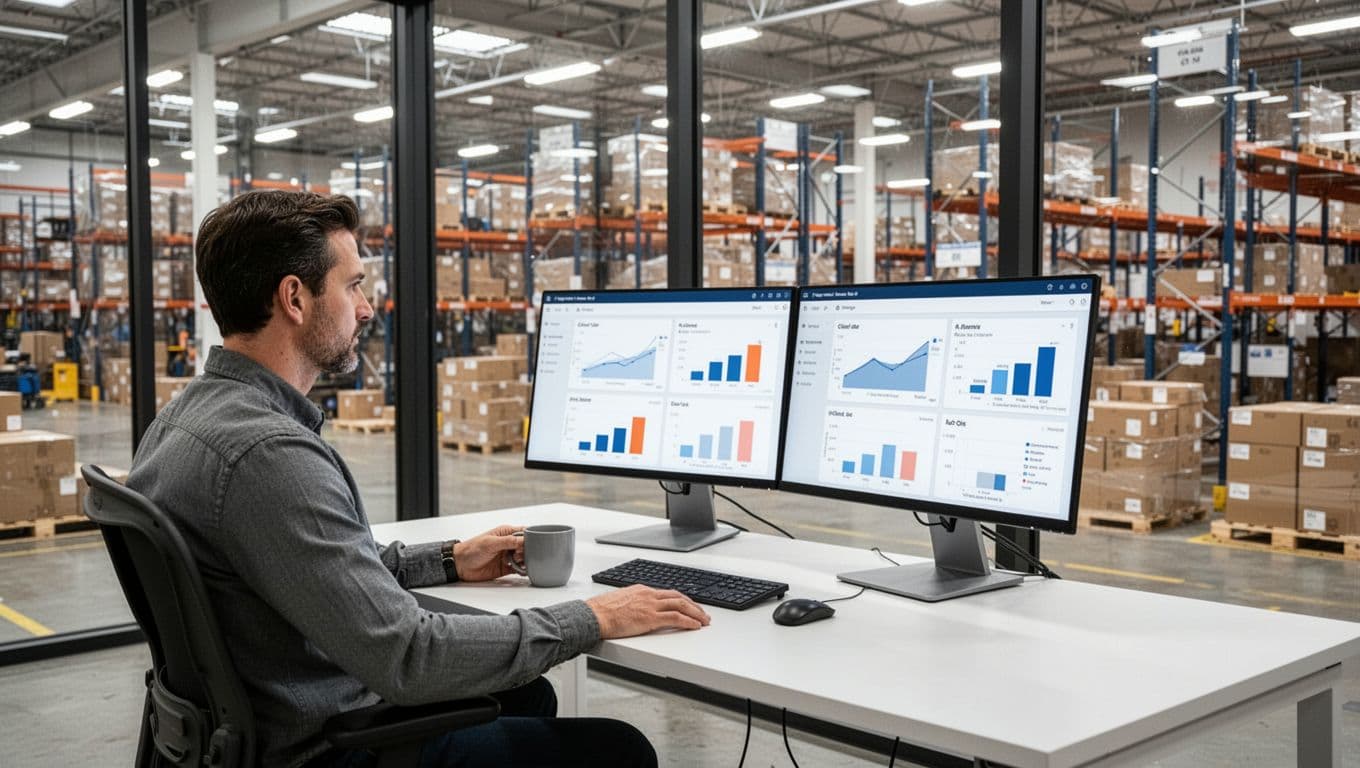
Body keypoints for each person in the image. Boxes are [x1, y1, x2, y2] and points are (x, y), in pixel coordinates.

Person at [126, 190, 711, 768]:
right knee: (620, 750)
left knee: (529, 696)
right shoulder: (270, 456)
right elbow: (409, 655)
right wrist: (594, 617)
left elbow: (321, 569)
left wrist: (452, 559)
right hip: (322, 747)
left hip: (252, 724)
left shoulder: (183, 420)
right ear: (295, 298)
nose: (366, 308)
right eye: (353, 285)